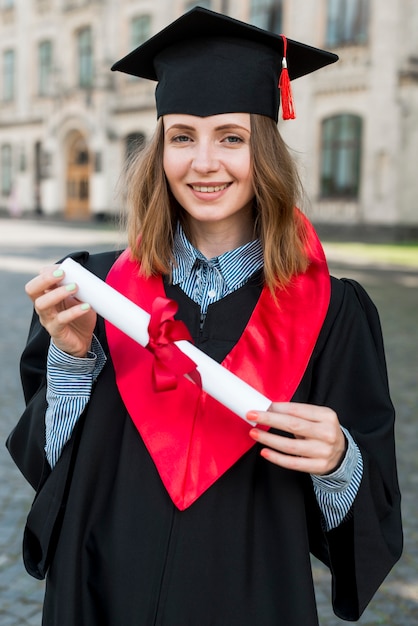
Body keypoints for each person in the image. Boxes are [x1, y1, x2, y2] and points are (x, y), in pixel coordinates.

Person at [7, 7, 402, 626]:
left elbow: (373, 512)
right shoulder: (95, 291)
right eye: (183, 136)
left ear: (263, 150)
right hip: (98, 588)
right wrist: (73, 360)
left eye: (231, 137)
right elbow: (49, 467)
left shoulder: (334, 314)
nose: (204, 162)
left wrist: (339, 460)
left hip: (248, 599)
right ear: (160, 148)